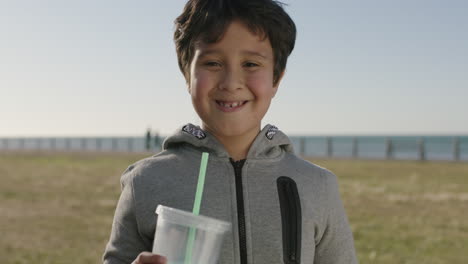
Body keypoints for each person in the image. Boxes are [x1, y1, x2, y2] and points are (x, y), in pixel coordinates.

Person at [103, 0, 358, 263]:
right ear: (186, 74)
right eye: (213, 63)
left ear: (276, 78)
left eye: (250, 64)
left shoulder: (317, 185)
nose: (231, 83)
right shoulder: (145, 181)